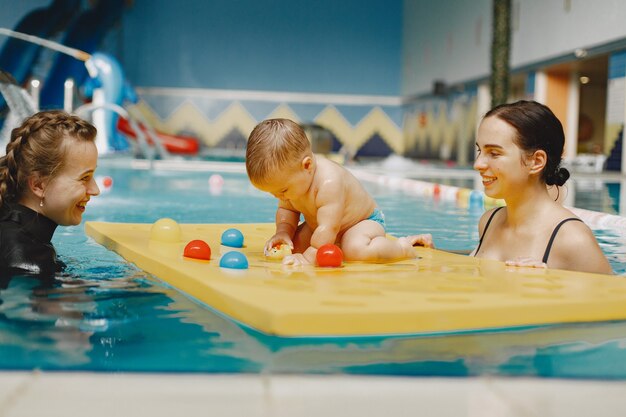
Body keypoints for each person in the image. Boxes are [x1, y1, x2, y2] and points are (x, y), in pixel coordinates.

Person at [245, 118, 432, 266]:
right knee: (293, 247)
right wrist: (283, 232)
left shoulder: (328, 182)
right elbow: (287, 212)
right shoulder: (293, 181)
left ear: (307, 165)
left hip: (362, 222)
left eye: (283, 191)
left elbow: (329, 228)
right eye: (274, 194)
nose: (280, 197)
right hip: (322, 227)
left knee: (354, 250)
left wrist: (310, 258)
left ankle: (402, 247)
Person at [472, 100, 612, 274]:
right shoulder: (488, 222)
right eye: (480, 151)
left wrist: (551, 286)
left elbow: (614, 297)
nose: (478, 164)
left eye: (494, 153)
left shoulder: (572, 239)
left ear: (536, 161)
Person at [0, 110, 100, 277]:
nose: (95, 190)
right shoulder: (27, 260)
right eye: (85, 178)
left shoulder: (14, 233)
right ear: (39, 185)